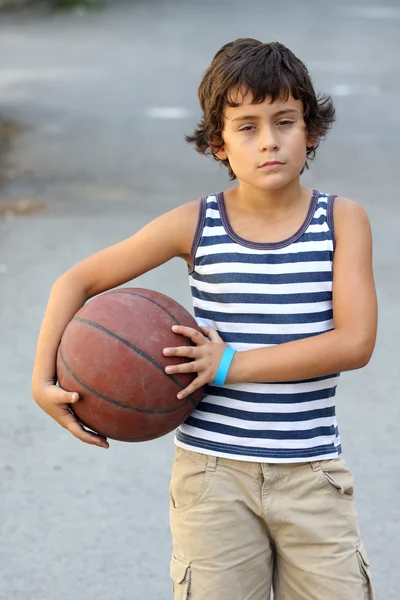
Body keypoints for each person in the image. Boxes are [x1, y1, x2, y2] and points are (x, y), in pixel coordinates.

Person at [32, 38, 378, 600]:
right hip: (213, 475)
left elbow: (355, 342)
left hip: (311, 475)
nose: (269, 141)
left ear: (310, 131)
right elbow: (76, 281)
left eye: (284, 121)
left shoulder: (342, 221)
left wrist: (230, 365)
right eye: (247, 127)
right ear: (218, 143)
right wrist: (41, 380)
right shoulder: (197, 224)